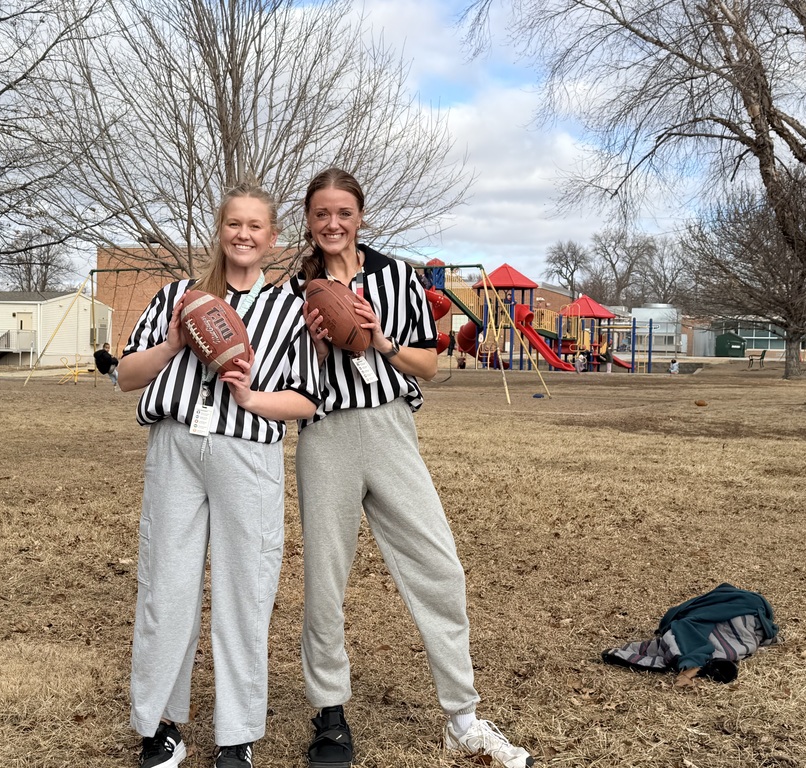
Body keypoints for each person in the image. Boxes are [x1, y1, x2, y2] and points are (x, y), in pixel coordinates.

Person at [286, 168, 534, 768]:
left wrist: (379, 342)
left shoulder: (397, 276)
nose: (333, 224)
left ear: (360, 216)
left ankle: (464, 719)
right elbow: (290, 382)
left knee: (439, 567)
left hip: (392, 427)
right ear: (310, 220)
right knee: (325, 580)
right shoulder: (293, 292)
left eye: (343, 212)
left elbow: (430, 367)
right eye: (321, 214)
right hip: (327, 434)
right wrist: (319, 347)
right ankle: (330, 714)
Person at [118, 183, 320, 768]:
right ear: (220, 228)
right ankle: (160, 725)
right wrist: (175, 343)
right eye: (234, 224)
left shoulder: (288, 309)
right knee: (166, 585)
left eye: (256, 226)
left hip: (247, 451)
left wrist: (254, 398)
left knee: (245, 592)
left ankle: (237, 735)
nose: (243, 235)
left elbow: (307, 399)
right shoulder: (178, 295)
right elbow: (127, 375)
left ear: (272, 237)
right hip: (178, 444)